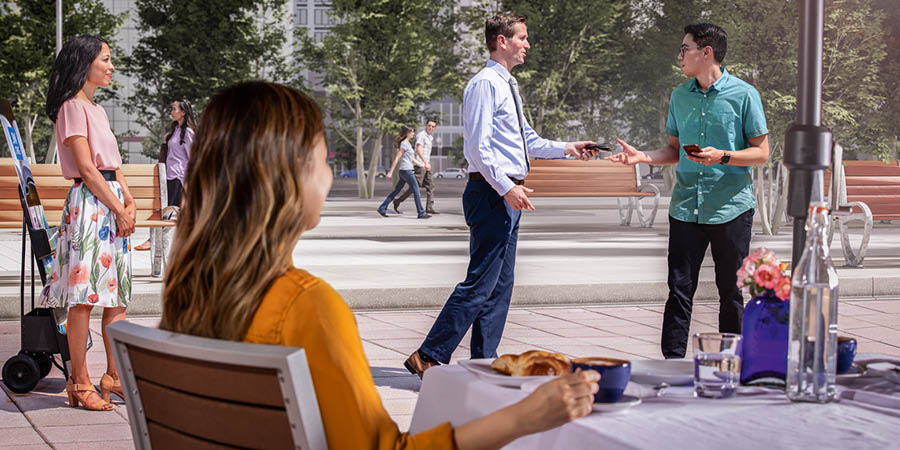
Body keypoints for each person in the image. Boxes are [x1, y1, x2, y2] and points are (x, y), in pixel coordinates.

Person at [159, 81, 600, 449]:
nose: (329, 174)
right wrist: (526, 417)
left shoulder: (186, 297)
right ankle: (435, 356)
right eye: (323, 157)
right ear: (288, 177)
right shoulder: (306, 309)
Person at [404, 13, 598, 377]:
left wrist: (568, 147)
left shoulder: (508, 85)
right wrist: (507, 188)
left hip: (506, 192)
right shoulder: (484, 85)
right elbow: (477, 148)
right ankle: (429, 353)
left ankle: (482, 362)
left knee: (499, 287)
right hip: (492, 192)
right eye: (522, 37)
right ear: (502, 41)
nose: (527, 44)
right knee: (480, 283)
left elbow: (528, 141)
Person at [606, 23, 770, 359]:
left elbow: (762, 152)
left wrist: (723, 156)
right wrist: (642, 157)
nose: (680, 56)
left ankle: (733, 362)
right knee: (679, 290)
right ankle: (672, 363)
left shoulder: (744, 95)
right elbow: (673, 150)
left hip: (731, 207)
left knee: (732, 291)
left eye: (685, 49)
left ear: (706, 52)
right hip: (685, 208)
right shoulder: (680, 96)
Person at [42, 35, 135, 411]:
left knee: (117, 299)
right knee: (85, 300)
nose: (111, 66)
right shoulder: (71, 108)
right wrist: (117, 207)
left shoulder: (95, 108)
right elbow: (85, 168)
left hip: (111, 205)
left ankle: (113, 376)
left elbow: (112, 165)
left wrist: (128, 202)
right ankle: (78, 382)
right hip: (92, 206)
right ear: (85, 63)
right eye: (106, 59)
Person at [135, 99, 195, 251]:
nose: (171, 111)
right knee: (167, 211)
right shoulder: (174, 131)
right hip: (168, 176)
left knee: (171, 212)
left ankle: (155, 241)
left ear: (183, 112)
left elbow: (193, 158)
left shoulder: (188, 133)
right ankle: (159, 241)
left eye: (174, 109)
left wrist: (188, 182)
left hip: (179, 177)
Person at [376, 126, 431, 219]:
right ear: (407, 133)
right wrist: (391, 172)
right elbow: (397, 157)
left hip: (404, 171)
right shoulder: (404, 144)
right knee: (416, 190)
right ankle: (421, 213)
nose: (413, 134)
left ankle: (382, 208)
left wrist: (423, 165)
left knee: (396, 191)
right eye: (412, 132)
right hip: (407, 171)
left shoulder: (408, 144)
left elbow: (412, 159)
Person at [393, 119, 438, 214]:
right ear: (426, 125)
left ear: (435, 128)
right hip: (420, 165)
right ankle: (397, 201)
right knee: (414, 187)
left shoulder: (430, 137)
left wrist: (427, 164)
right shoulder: (421, 135)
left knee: (431, 186)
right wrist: (425, 163)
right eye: (429, 125)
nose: (430, 127)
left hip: (426, 165)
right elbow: (418, 150)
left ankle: (429, 207)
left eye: (433, 126)